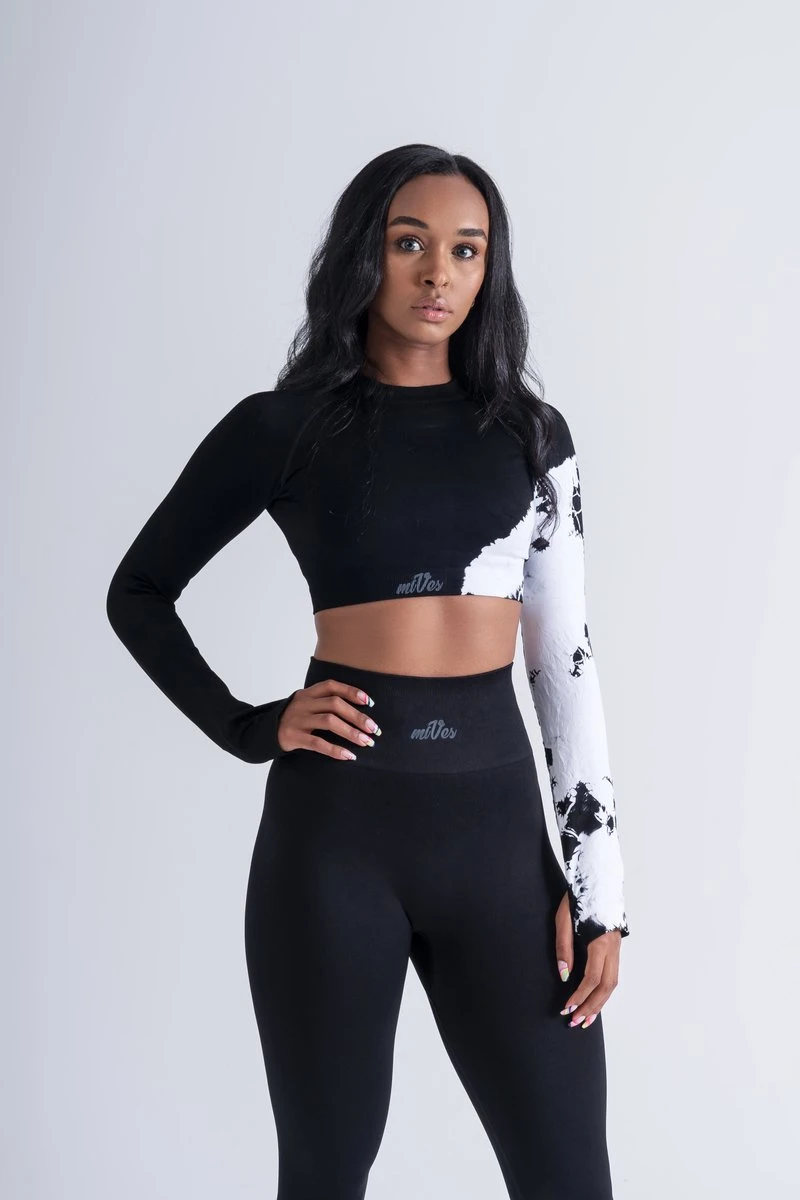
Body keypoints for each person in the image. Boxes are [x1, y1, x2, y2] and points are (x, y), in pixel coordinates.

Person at [106, 143, 630, 1200]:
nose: (438, 273)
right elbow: (140, 591)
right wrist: (252, 725)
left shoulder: (530, 437)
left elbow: (564, 668)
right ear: (363, 255)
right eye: (409, 243)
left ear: (489, 270)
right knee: (324, 1177)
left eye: (466, 250)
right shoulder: (283, 427)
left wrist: (600, 893)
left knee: (569, 1179)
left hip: (498, 851)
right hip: (335, 848)